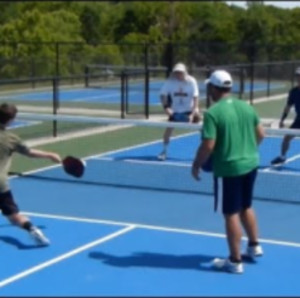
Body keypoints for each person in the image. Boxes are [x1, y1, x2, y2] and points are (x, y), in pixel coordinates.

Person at [191, 70, 265, 274]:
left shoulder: (213, 113)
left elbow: (208, 145)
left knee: (230, 213)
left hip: (228, 170)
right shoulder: (246, 107)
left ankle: (234, 261)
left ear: (214, 88)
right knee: (246, 205)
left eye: (209, 87)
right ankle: (254, 245)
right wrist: (247, 150)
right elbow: (261, 134)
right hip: (251, 164)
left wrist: (196, 164)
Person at [0, 103, 62, 246]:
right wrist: (50, 154)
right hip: (1, 185)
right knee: (14, 216)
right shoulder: (11, 139)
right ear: (11, 120)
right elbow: (29, 153)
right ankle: (32, 228)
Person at [158, 63, 200, 161]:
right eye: (176, 72)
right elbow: (162, 95)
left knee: (202, 128)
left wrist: (193, 113)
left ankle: (207, 152)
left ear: (184, 72)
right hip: (175, 111)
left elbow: (196, 98)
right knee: (168, 130)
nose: (178, 74)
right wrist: (166, 108)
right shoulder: (170, 82)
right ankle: (164, 151)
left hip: (190, 110)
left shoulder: (192, 81)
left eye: (180, 72)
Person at [271, 67, 300, 165]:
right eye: (297, 76)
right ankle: (282, 157)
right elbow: (288, 107)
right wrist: (282, 119)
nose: (298, 78)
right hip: (298, 121)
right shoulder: (293, 92)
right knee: (286, 138)